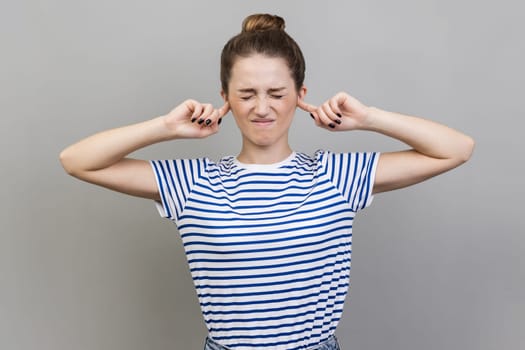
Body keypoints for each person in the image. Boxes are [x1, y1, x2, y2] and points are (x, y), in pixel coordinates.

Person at [59, 13, 474, 350]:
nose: (262, 108)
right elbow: (77, 161)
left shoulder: (336, 175)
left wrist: (370, 118)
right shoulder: (190, 182)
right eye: (246, 94)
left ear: (300, 94)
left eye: (277, 93)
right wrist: (165, 127)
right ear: (225, 98)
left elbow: (456, 148)